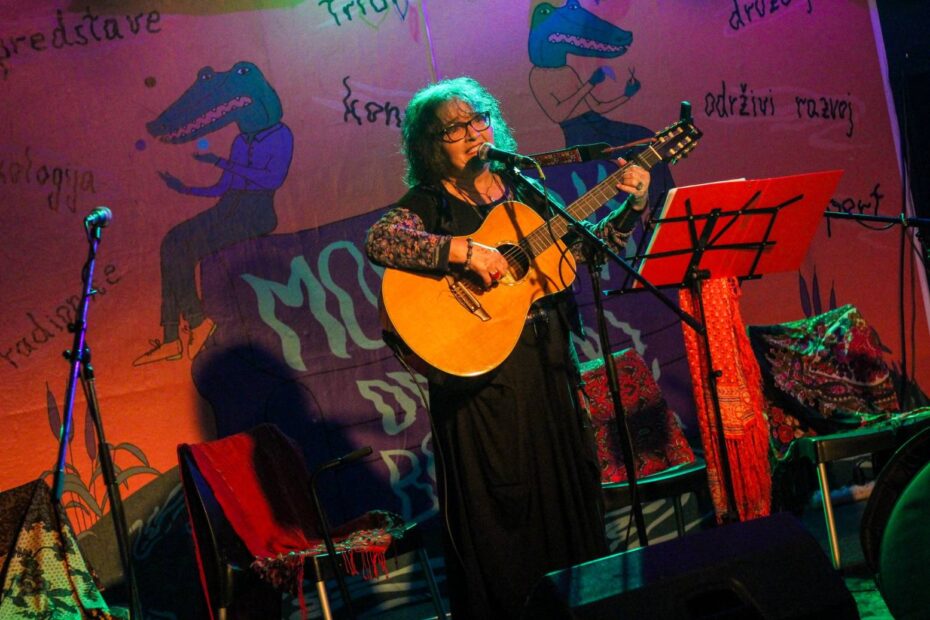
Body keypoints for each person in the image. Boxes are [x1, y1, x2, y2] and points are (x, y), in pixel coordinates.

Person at [365, 76, 650, 618]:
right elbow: (381, 239)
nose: (473, 134)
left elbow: (585, 257)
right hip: (481, 384)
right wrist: (464, 252)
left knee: (567, 491)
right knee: (503, 509)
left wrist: (630, 209)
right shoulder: (428, 204)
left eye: (480, 120)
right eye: (455, 128)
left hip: (547, 367)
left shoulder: (524, 195)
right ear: (430, 146)